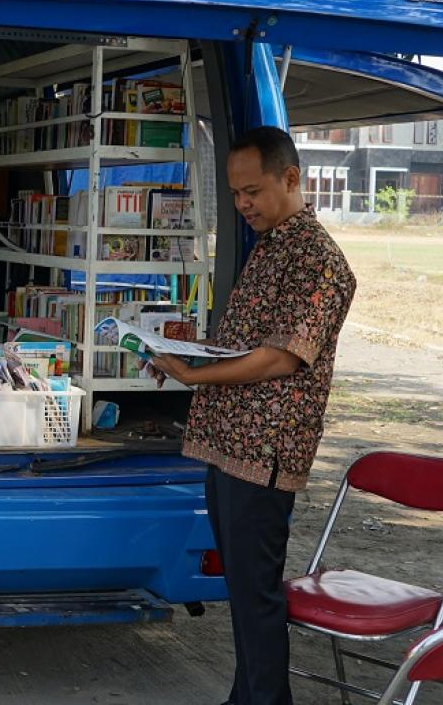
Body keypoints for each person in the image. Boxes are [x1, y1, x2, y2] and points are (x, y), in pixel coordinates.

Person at [144, 126, 356, 705]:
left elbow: (279, 358)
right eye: (235, 194)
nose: (242, 205)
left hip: (262, 451)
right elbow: (242, 344)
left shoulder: (320, 261)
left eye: (252, 192)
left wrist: (195, 376)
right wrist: (185, 358)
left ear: (291, 178)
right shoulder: (272, 245)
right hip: (225, 442)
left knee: (256, 593)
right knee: (240, 589)